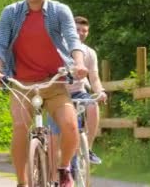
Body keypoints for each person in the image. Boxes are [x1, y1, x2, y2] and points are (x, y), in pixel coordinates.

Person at [0, 0, 86, 187]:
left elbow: (72, 39)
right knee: (20, 126)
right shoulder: (11, 13)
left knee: (70, 126)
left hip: (54, 82)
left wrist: (78, 63)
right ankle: (22, 182)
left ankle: (64, 168)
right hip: (22, 85)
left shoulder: (60, 11)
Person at [47, 16, 107, 179]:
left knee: (93, 105)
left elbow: (94, 77)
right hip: (57, 94)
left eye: (84, 31)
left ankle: (87, 148)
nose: (80, 33)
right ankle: (53, 178)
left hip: (79, 93)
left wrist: (100, 91)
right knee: (54, 143)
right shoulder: (57, 48)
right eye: (77, 30)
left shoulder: (89, 53)